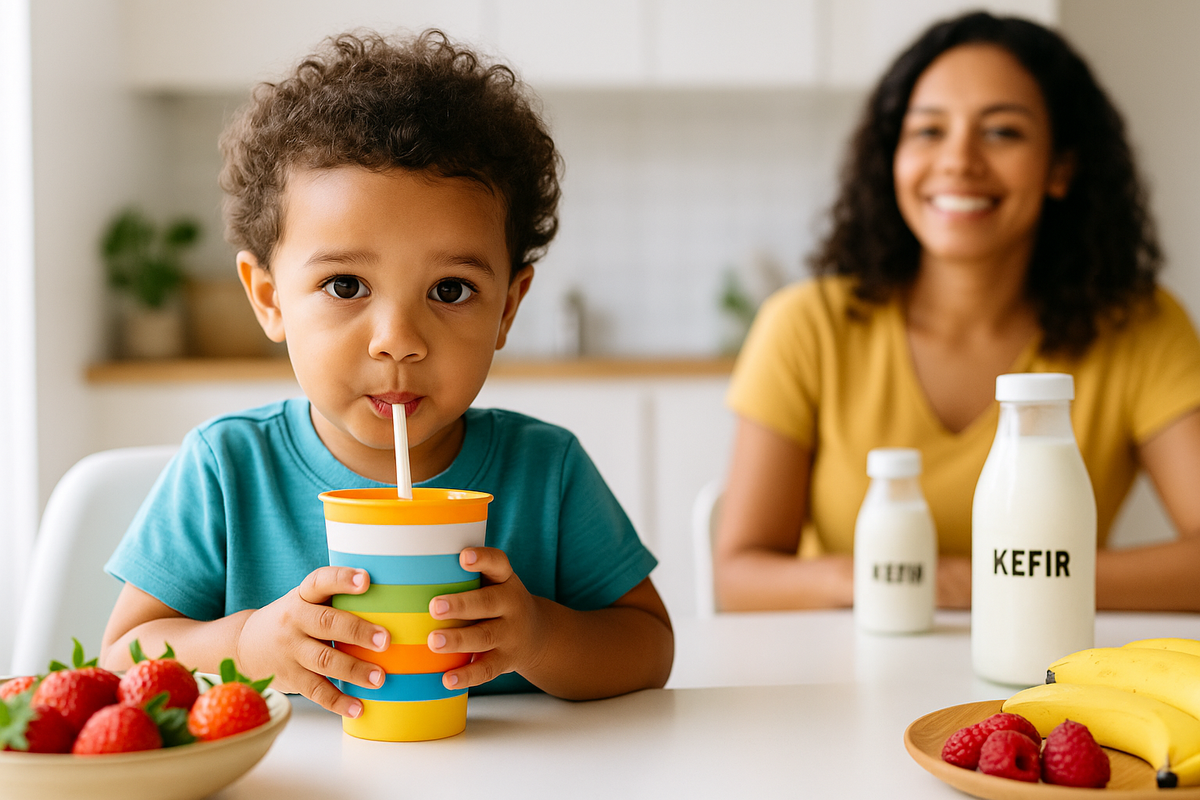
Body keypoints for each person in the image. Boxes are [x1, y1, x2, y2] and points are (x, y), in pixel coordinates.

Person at [100, 30, 673, 716]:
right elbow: (124, 656)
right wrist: (250, 643)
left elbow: (648, 646)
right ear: (269, 298)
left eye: (451, 290)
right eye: (346, 286)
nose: (397, 342)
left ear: (508, 308)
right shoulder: (226, 470)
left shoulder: (545, 472)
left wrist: (540, 638)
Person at [715, 11, 1200, 613]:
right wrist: (911, 583)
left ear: (1061, 167)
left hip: (1042, 675)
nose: (958, 159)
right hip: (843, 674)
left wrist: (976, 584)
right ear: (892, 158)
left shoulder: (1141, 327)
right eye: (928, 131)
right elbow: (739, 577)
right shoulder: (805, 326)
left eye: (1002, 132)